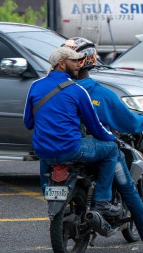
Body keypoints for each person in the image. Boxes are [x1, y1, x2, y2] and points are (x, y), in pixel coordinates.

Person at [62, 37, 143, 253]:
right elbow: (129, 122)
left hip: (61, 149)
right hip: (95, 149)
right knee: (128, 189)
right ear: (91, 60)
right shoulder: (100, 94)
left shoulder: (58, 90)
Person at [23, 46, 122, 218]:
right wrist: (111, 138)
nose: (79, 64)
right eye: (75, 60)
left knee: (49, 154)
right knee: (111, 150)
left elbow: (28, 122)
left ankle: (50, 195)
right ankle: (102, 201)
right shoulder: (77, 90)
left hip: (42, 151)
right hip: (71, 148)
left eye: (80, 60)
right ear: (61, 64)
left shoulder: (35, 86)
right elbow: (95, 127)